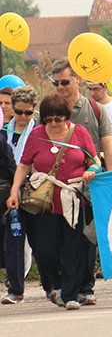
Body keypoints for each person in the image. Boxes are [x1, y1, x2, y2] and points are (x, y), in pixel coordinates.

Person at [7, 94, 100, 310]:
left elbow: (94, 161)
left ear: (66, 117)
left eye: (59, 119)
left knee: (72, 249)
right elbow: (23, 165)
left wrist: (91, 171)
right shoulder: (37, 135)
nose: (54, 124)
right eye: (49, 119)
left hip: (74, 201)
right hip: (45, 203)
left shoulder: (79, 133)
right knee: (45, 249)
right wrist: (14, 192)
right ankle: (56, 285)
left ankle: (70, 295)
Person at [51, 59, 112, 306]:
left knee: (88, 236)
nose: (61, 87)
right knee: (62, 239)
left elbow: (107, 145)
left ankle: (86, 287)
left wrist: (110, 177)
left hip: (90, 183)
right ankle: (66, 284)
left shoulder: (95, 109)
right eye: (56, 83)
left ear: (77, 80)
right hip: (59, 187)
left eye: (65, 82)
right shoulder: (49, 110)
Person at [0, 86, 37, 304]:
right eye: (19, 111)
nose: (23, 117)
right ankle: (15, 288)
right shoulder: (3, 131)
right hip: (9, 192)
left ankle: (52, 284)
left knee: (38, 242)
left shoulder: (39, 131)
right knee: (13, 240)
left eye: (28, 112)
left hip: (33, 190)